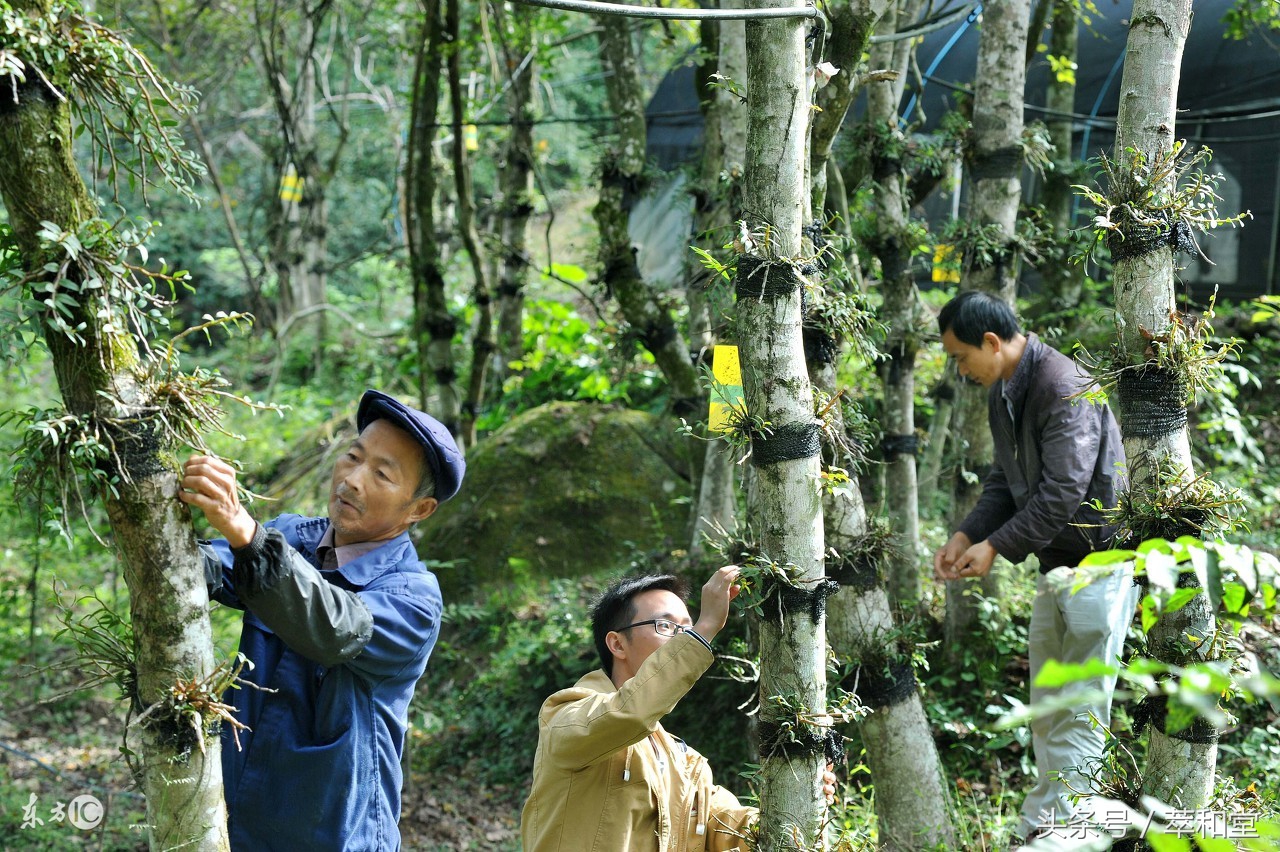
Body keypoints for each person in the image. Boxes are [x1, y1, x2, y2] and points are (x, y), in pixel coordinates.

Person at [180, 389, 464, 851]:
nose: (352, 480)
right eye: (353, 457)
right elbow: (207, 569)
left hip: (333, 833)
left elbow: (335, 625)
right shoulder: (293, 537)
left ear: (418, 510)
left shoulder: (413, 597)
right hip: (237, 814)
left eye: (382, 474)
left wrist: (245, 531)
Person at [932, 291, 1137, 846]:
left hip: (1102, 565)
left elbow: (1064, 490)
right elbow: (1006, 480)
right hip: (1055, 566)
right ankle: (1044, 827)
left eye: (960, 356)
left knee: (1081, 707)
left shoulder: (1061, 384)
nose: (960, 369)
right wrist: (968, 533)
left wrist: (996, 547)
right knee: (1048, 705)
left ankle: (1067, 831)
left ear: (992, 343)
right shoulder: (1004, 391)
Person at [521, 568, 837, 851]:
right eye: (666, 626)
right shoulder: (565, 716)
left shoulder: (685, 763)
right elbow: (627, 713)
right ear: (617, 644)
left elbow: (737, 829)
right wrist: (706, 627)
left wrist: (802, 797)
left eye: (688, 629)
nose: (684, 639)